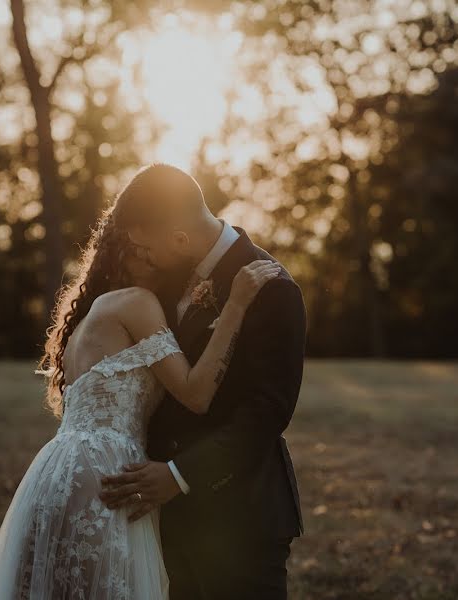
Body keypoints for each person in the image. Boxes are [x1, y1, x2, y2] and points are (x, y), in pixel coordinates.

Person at [0, 163, 281, 599]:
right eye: (146, 249)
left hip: (56, 471)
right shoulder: (137, 303)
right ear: (133, 253)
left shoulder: (90, 316)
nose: (158, 258)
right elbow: (194, 394)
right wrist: (235, 306)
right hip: (107, 475)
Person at [98, 163, 307, 599]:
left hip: (240, 517)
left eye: (147, 247)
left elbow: (267, 412)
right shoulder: (165, 279)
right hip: (167, 520)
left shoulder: (271, 286)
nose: (144, 258)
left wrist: (178, 475)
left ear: (178, 238)